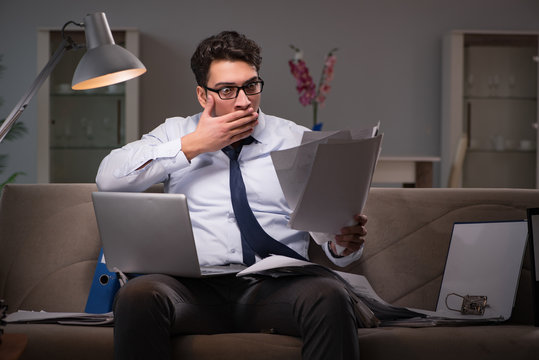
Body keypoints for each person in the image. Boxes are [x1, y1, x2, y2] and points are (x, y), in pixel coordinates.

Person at [96, 30, 368, 360]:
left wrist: (342, 245)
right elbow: (109, 178)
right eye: (227, 90)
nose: (243, 101)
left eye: (251, 86)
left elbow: (332, 241)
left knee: (330, 295)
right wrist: (196, 144)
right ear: (202, 94)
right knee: (137, 296)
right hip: (190, 289)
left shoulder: (296, 140)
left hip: (275, 287)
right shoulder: (175, 133)